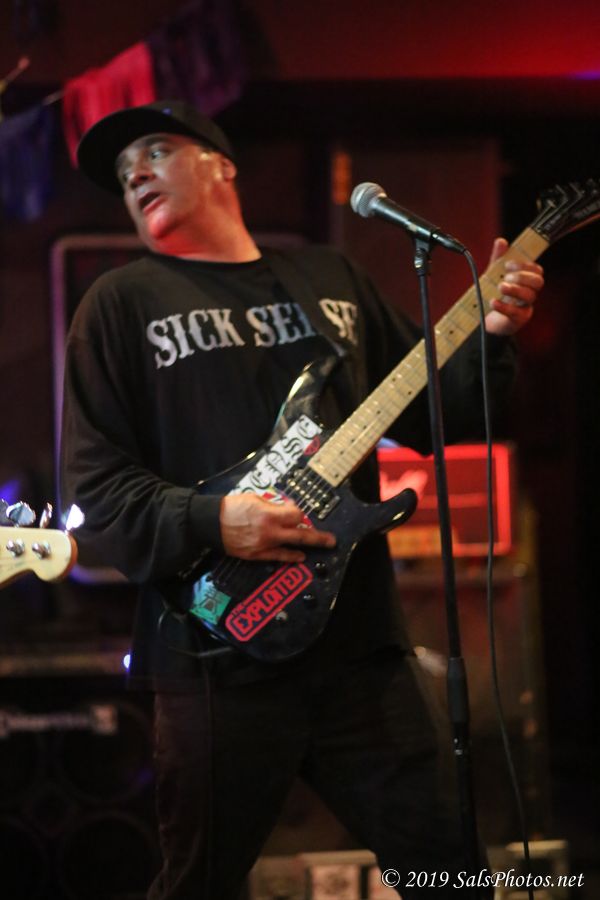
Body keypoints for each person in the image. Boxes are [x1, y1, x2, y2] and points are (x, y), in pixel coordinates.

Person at [60, 100, 544, 900]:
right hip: (214, 655)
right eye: (122, 171)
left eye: (154, 151)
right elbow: (98, 494)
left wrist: (492, 333)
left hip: (360, 654)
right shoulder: (120, 304)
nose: (134, 174)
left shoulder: (329, 280)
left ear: (221, 165)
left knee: (452, 876)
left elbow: (441, 414)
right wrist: (219, 520)